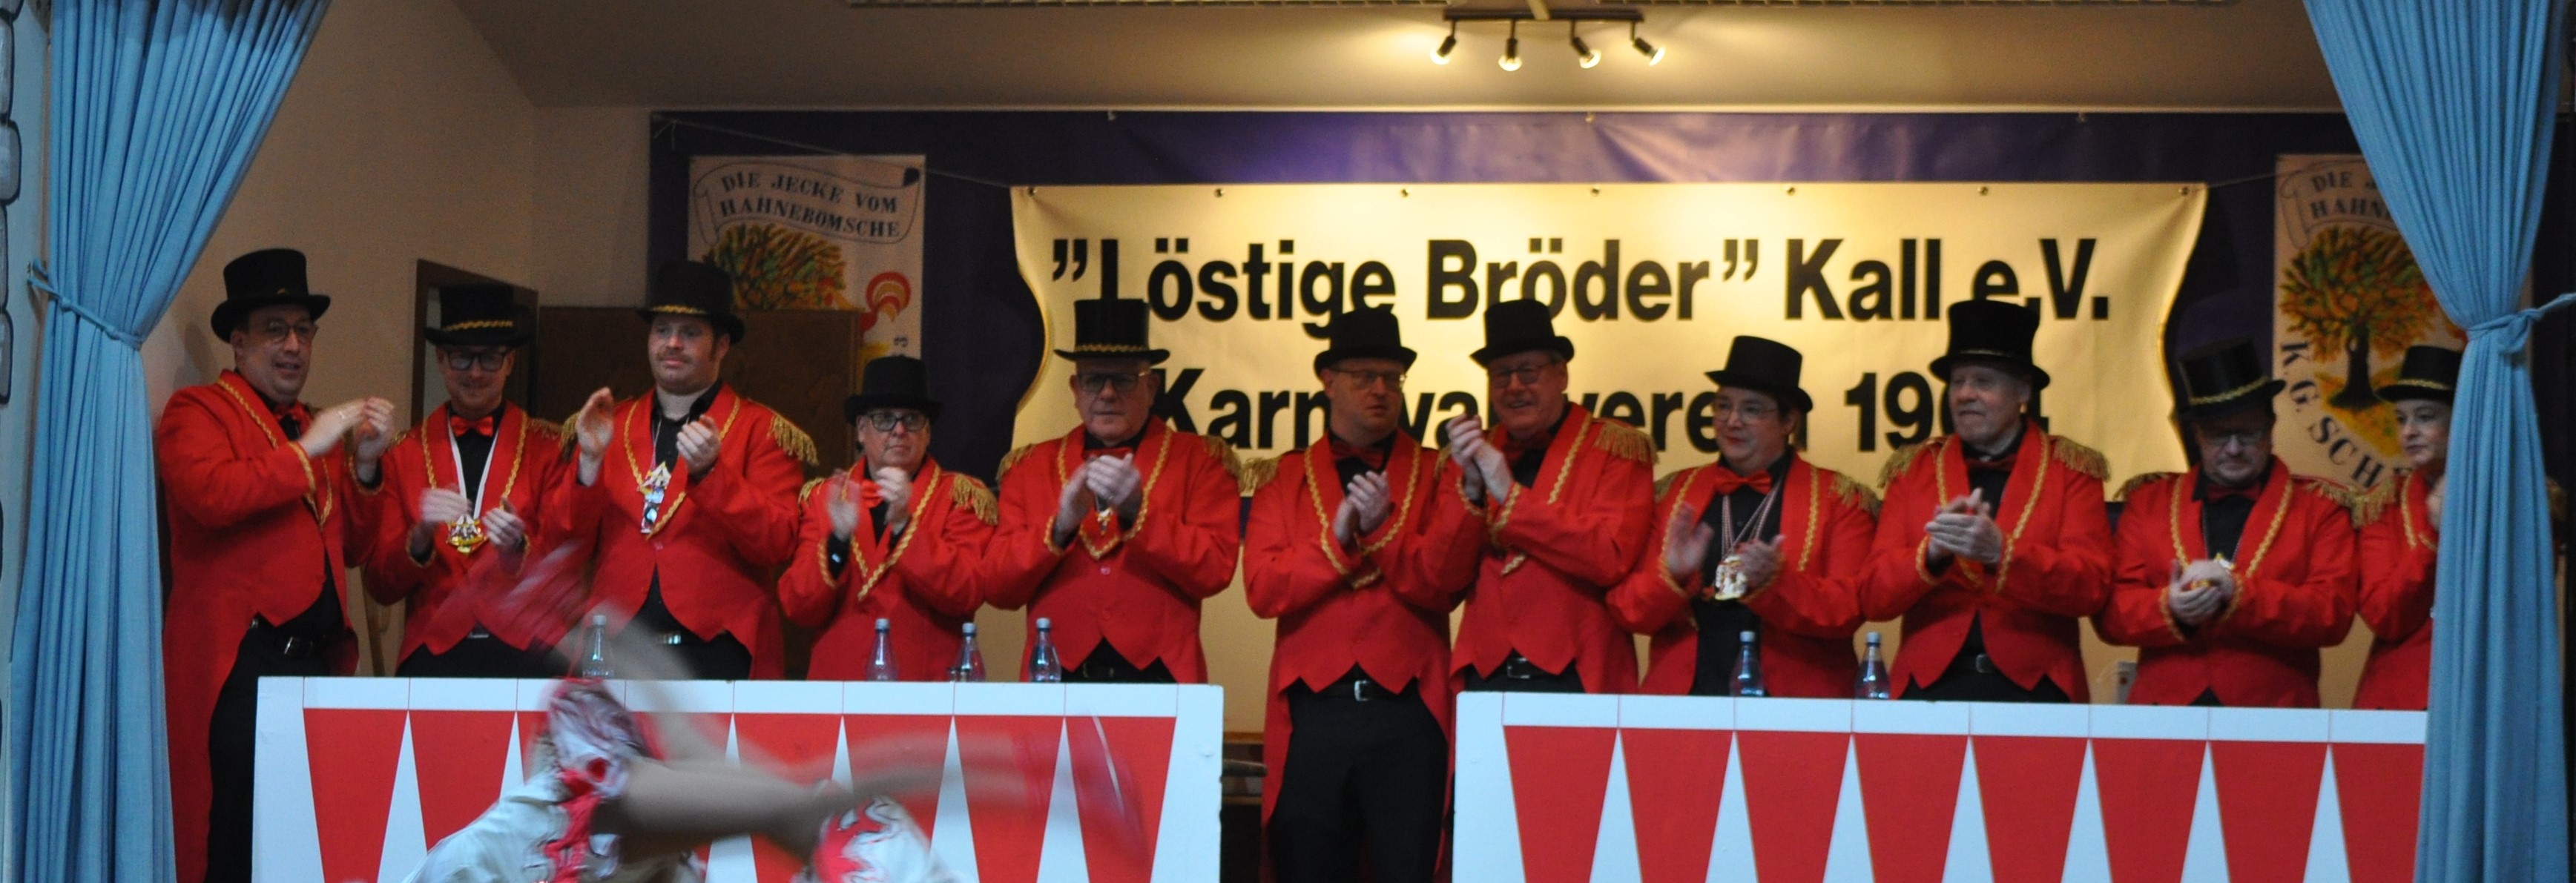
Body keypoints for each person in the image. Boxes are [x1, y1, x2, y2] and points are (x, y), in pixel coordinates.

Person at [160, 248, 397, 883]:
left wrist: (365, 466)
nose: (293, 345)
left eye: (303, 330)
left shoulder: (309, 426)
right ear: (238, 343)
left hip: (314, 666)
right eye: (275, 330)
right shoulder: (197, 411)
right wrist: (308, 449)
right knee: (233, 843)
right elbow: (211, 495)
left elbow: (352, 549)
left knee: (300, 845)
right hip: (241, 667)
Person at [1242, 308, 1472, 883]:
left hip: (1408, 714)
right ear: (1328, 380)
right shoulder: (1280, 477)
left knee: (1408, 867)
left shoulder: (1436, 472)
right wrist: (1337, 540)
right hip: (1314, 715)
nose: (1380, 390)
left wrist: (1381, 531)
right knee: (1307, 866)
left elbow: (1442, 586)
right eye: (1365, 376)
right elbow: (1263, 589)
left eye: (1392, 378)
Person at [559, 260, 815, 680]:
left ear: (722, 346)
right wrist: (588, 464)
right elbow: (567, 541)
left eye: (691, 333)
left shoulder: (763, 430)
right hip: (619, 646)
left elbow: (777, 544)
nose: (673, 343)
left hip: (719, 650)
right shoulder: (608, 425)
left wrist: (714, 475)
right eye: (662, 330)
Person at [1860, 299, 2112, 702]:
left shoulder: (2071, 470)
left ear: (2023, 391)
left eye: (1983, 382)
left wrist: (2002, 553)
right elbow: (1873, 596)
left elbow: (2091, 588)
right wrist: (1932, 554)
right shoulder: (1913, 469)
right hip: (1929, 689)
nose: (1965, 394)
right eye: (1957, 382)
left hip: (2040, 691)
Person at [984, 297, 1242, 683]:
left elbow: (1214, 572)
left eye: (1123, 380)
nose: (1107, 394)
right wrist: (1060, 526)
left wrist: (1139, 512)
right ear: (1075, 389)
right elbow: (999, 588)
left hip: (1162, 679)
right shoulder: (1029, 467)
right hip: (1057, 677)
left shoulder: (1201, 461)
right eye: (1093, 380)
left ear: (1151, 387)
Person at [2098, 338, 2359, 707]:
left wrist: (2241, 594)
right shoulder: (2148, 502)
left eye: (2248, 433)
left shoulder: (2321, 508)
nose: (2234, 449)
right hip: (2166, 713)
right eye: (2219, 435)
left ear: (2271, 428)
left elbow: (2332, 615)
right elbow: (2112, 614)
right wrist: (2170, 607)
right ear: (2197, 435)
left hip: (2273, 713)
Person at [1610, 337, 1875, 697]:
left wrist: (1776, 583)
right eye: (1723, 406)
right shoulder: (1672, 494)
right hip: (1686, 698)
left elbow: (1849, 609)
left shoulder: (1841, 499)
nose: (1732, 421)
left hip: (1797, 704)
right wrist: (1672, 576)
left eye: (1752, 409)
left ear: (1788, 421)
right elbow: (1629, 610)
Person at [1429, 299, 1656, 695]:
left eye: (1528, 372)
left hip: (1579, 677)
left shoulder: (1616, 447)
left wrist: (1510, 495)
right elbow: (1444, 581)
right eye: (1501, 375)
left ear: (1562, 375)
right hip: (1485, 677)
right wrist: (1471, 491)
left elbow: (1610, 558)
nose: (1515, 387)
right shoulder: (1466, 457)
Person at [355, 284, 570, 678]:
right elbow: (381, 587)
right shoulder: (402, 453)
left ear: (509, 362)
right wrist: (420, 538)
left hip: (527, 652)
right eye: (461, 357)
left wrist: (518, 546)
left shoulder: (550, 448)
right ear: (441, 359)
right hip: (432, 654)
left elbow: (570, 570)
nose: (475, 372)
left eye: (489, 358)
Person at [778, 355, 995, 681]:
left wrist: (905, 526)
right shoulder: (822, 498)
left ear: (928, 432)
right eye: (884, 419)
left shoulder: (962, 497)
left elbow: (967, 593)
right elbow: (798, 607)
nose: (899, 430)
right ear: (861, 429)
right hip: (839, 689)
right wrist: (837, 542)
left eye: (912, 419)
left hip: (926, 690)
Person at [2352, 345, 2459, 711]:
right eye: (2401, 419)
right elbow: (2386, 617)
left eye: (2425, 417)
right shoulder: (2384, 505)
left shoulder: (2514, 498)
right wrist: (2435, 536)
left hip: (2482, 693)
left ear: (2463, 420)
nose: (2409, 432)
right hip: (2400, 696)